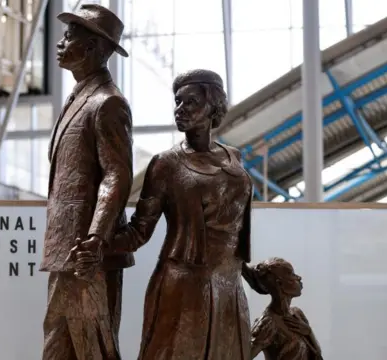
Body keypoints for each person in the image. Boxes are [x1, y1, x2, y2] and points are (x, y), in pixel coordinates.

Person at [74, 69, 255, 359]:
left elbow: (232, 229)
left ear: (213, 107)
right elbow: (138, 231)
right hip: (184, 284)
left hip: (229, 284)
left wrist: (249, 271)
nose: (180, 110)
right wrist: (98, 243)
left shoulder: (234, 157)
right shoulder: (166, 164)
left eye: (191, 102)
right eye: (178, 102)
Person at [39, 4, 134, 360]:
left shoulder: (108, 103)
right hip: (70, 250)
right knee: (60, 345)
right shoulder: (80, 97)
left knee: (92, 347)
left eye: (69, 37)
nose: (61, 44)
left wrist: (96, 238)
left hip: (87, 253)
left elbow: (117, 174)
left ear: (94, 48)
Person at [245, 258, 323, 360]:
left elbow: (317, 355)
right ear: (280, 284)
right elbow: (244, 356)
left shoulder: (297, 314)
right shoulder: (268, 323)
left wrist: (309, 333)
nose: (299, 278)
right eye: (292, 274)